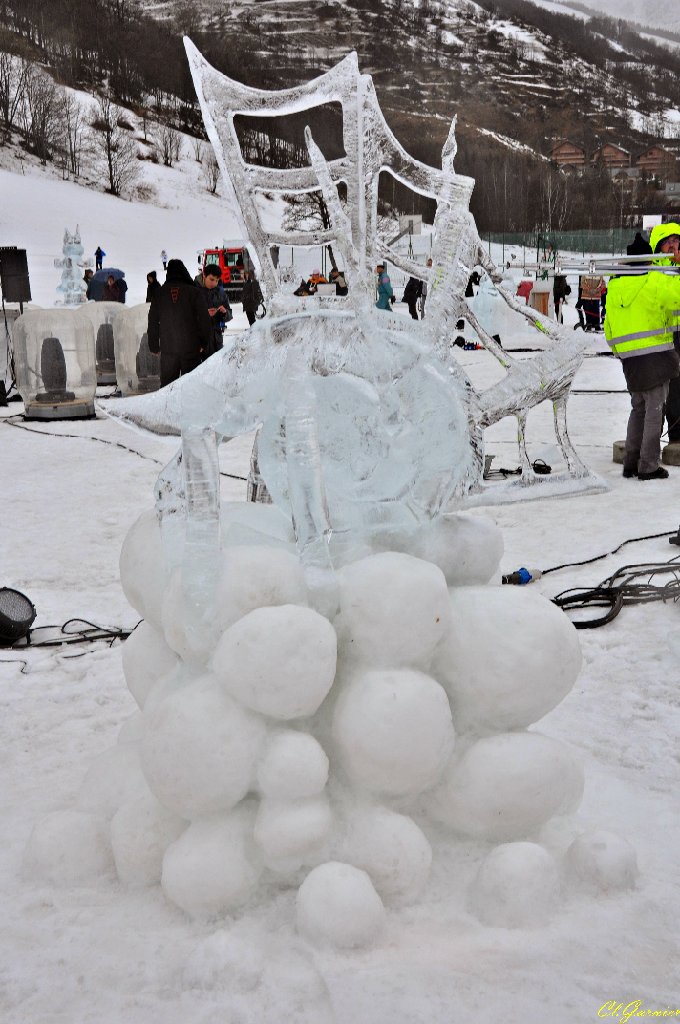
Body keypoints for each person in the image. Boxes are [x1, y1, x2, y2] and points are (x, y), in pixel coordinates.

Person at [604, 231, 680, 480]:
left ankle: (631, 462)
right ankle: (648, 465)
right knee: (654, 410)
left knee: (638, 408)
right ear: (649, 260)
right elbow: (677, 298)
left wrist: (621, 353)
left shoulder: (615, 285)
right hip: (656, 357)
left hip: (630, 359)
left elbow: (609, 327)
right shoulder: (655, 280)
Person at [147, 258, 212, 387]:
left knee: (168, 389)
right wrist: (203, 343)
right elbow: (204, 319)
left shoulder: (159, 293)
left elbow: (153, 320)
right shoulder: (194, 292)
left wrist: (154, 345)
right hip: (191, 349)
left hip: (168, 349)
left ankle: (169, 408)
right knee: (192, 388)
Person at [649, 223, 680, 446]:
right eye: (669, 241)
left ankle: (677, 435)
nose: (674, 246)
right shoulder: (653, 270)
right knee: (659, 394)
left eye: (677, 241)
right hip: (661, 338)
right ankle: (657, 441)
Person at [197, 262, 232, 355]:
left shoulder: (221, 293)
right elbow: (186, 317)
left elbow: (230, 314)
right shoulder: (193, 291)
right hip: (199, 344)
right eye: (211, 279)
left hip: (217, 342)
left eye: (217, 280)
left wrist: (225, 312)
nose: (214, 283)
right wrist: (205, 314)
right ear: (204, 275)